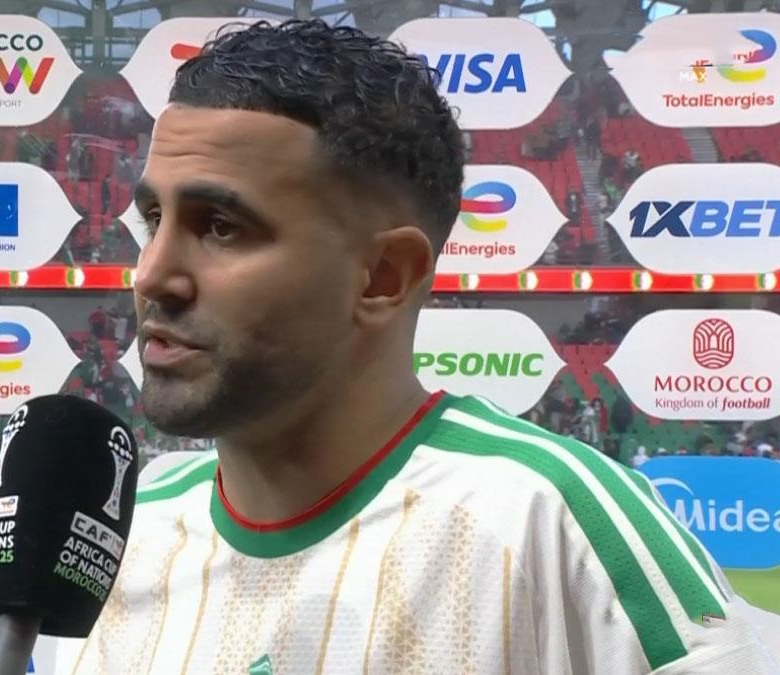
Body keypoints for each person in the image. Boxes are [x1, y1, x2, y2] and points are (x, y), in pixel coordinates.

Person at [61, 19, 777, 674]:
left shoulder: (559, 522)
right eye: (152, 217)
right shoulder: (121, 536)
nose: (151, 274)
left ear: (383, 276)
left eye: (221, 226)